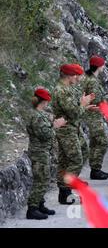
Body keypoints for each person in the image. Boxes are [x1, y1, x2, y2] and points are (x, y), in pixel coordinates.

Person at [52, 64, 95, 204]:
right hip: (66, 131)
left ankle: (64, 190)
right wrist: (82, 105)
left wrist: (84, 105)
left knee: (68, 159)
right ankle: (66, 187)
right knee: (76, 160)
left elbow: (75, 110)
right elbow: (74, 112)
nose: (77, 78)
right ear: (69, 76)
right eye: (75, 75)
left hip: (72, 128)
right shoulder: (61, 91)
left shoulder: (67, 88)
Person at [26, 88, 66, 219]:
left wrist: (52, 124)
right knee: (41, 180)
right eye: (47, 101)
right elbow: (45, 134)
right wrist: (55, 126)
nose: (48, 104)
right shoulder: (36, 116)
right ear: (43, 102)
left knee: (43, 178)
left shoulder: (39, 113)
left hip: (42, 151)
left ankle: (39, 205)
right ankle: (32, 209)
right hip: (38, 152)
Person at [81, 55, 108, 180]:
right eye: (103, 65)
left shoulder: (89, 78)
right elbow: (98, 100)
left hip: (92, 114)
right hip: (93, 116)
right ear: (99, 66)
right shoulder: (92, 81)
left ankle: (95, 169)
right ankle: (96, 169)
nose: (104, 67)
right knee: (103, 141)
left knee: (96, 142)